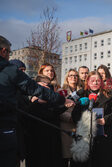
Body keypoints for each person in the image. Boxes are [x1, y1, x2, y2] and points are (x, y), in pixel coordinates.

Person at [0, 36, 73, 167]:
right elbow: (35, 89)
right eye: (9, 53)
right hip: (6, 128)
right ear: (3, 51)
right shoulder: (9, 70)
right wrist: (62, 100)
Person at [71, 71, 112, 167]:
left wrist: (105, 119)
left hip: (103, 137)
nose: (95, 83)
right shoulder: (81, 95)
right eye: (92, 80)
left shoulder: (109, 95)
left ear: (101, 82)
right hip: (85, 138)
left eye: (98, 80)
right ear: (87, 82)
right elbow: (74, 116)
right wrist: (80, 108)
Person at [25, 74, 65, 167]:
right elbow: (27, 117)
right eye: (42, 85)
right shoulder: (31, 100)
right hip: (36, 145)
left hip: (52, 143)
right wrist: (35, 102)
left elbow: (54, 114)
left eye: (48, 85)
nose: (45, 88)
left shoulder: (53, 101)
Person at [60, 69, 81, 167]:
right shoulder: (61, 92)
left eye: (76, 75)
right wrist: (71, 118)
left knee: (77, 160)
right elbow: (58, 110)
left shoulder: (82, 91)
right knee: (65, 158)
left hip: (80, 127)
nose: (73, 77)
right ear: (67, 78)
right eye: (70, 75)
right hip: (66, 127)